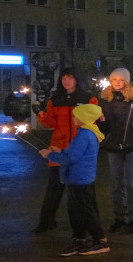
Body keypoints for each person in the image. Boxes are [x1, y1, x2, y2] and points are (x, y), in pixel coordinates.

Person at [34, 67, 97, 233]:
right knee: (54, 188)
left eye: (69, 78)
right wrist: (41, 115)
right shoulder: (55, 99)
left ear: (76, 79)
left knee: (85, 190)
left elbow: (93, 120)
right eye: (63, 78)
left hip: (79, 147)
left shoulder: (87, 98)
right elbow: (51, 123)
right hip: (59, 146)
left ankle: (91, 223)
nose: (66, 81)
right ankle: (46, 221)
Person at [40, 104, 109, 256]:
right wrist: (60, 150)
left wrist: (49, 155)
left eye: (76, 115)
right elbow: (73, 153)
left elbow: (71, 158)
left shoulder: (85, 135)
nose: (73, 117)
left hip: (80, 179)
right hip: (78, 178)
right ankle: (79, 239)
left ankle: (99, 241)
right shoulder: (86, 133)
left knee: (84, 210)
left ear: (84, 118)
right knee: (76, 211)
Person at [98, 67, 133, 234]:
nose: (117, 82)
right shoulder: (104, 99)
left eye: (121, 79)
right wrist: (100, 121)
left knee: (132, 185)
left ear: (127, 81)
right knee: (117, 185)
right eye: (114, 79)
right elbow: (103, 127)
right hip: (113, 146)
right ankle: (120, 217)